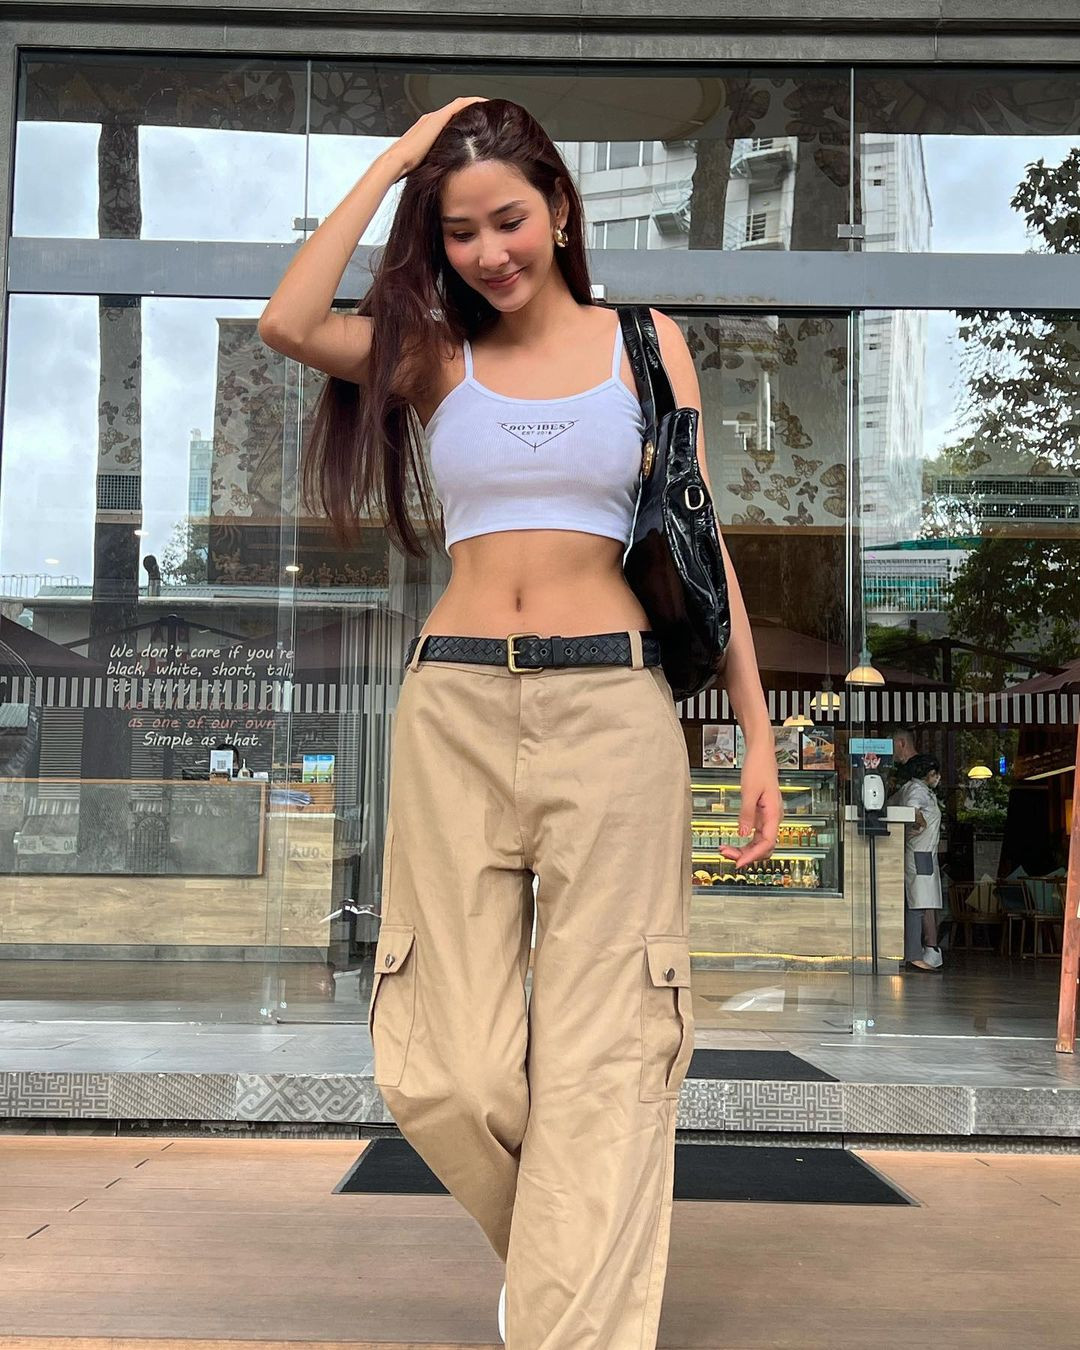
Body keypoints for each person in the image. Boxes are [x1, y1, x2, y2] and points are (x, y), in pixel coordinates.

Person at [259, 96, 781, 1350]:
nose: (490, 250)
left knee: (607, 1052)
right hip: (454, 711)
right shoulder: (434, 355)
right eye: (460, 231)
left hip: (615, 711)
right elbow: (288, 320)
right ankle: (563, 1267)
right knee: (445, 1069)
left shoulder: (645, 345)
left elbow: (700, 541)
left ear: (558, 207)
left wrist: (756, 736)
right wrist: (397, 163)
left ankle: (563, 1322)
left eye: (509, 218)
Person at [892, 753, 944, 972]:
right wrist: (920, 823)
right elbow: (912, 810)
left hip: (924, 852)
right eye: (935, 773)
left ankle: (915, 952)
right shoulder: (916, 790)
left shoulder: (918, 789)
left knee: (920, 901)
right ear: (928, 773)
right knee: (918, 902)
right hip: (920, 853)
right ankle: (914, 955)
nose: (937, 777)